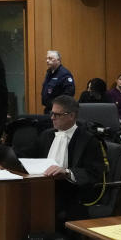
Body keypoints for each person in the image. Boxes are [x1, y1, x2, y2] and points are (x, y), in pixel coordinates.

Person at [38, 95, 106, 228]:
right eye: (52, 113)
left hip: (74, 195)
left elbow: (94, 172)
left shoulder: (89, 140)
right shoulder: (47, 135)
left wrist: (68, 172)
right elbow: (29, 154)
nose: (52, 118)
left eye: (57, 115)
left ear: (71, 116)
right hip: (44, 188)